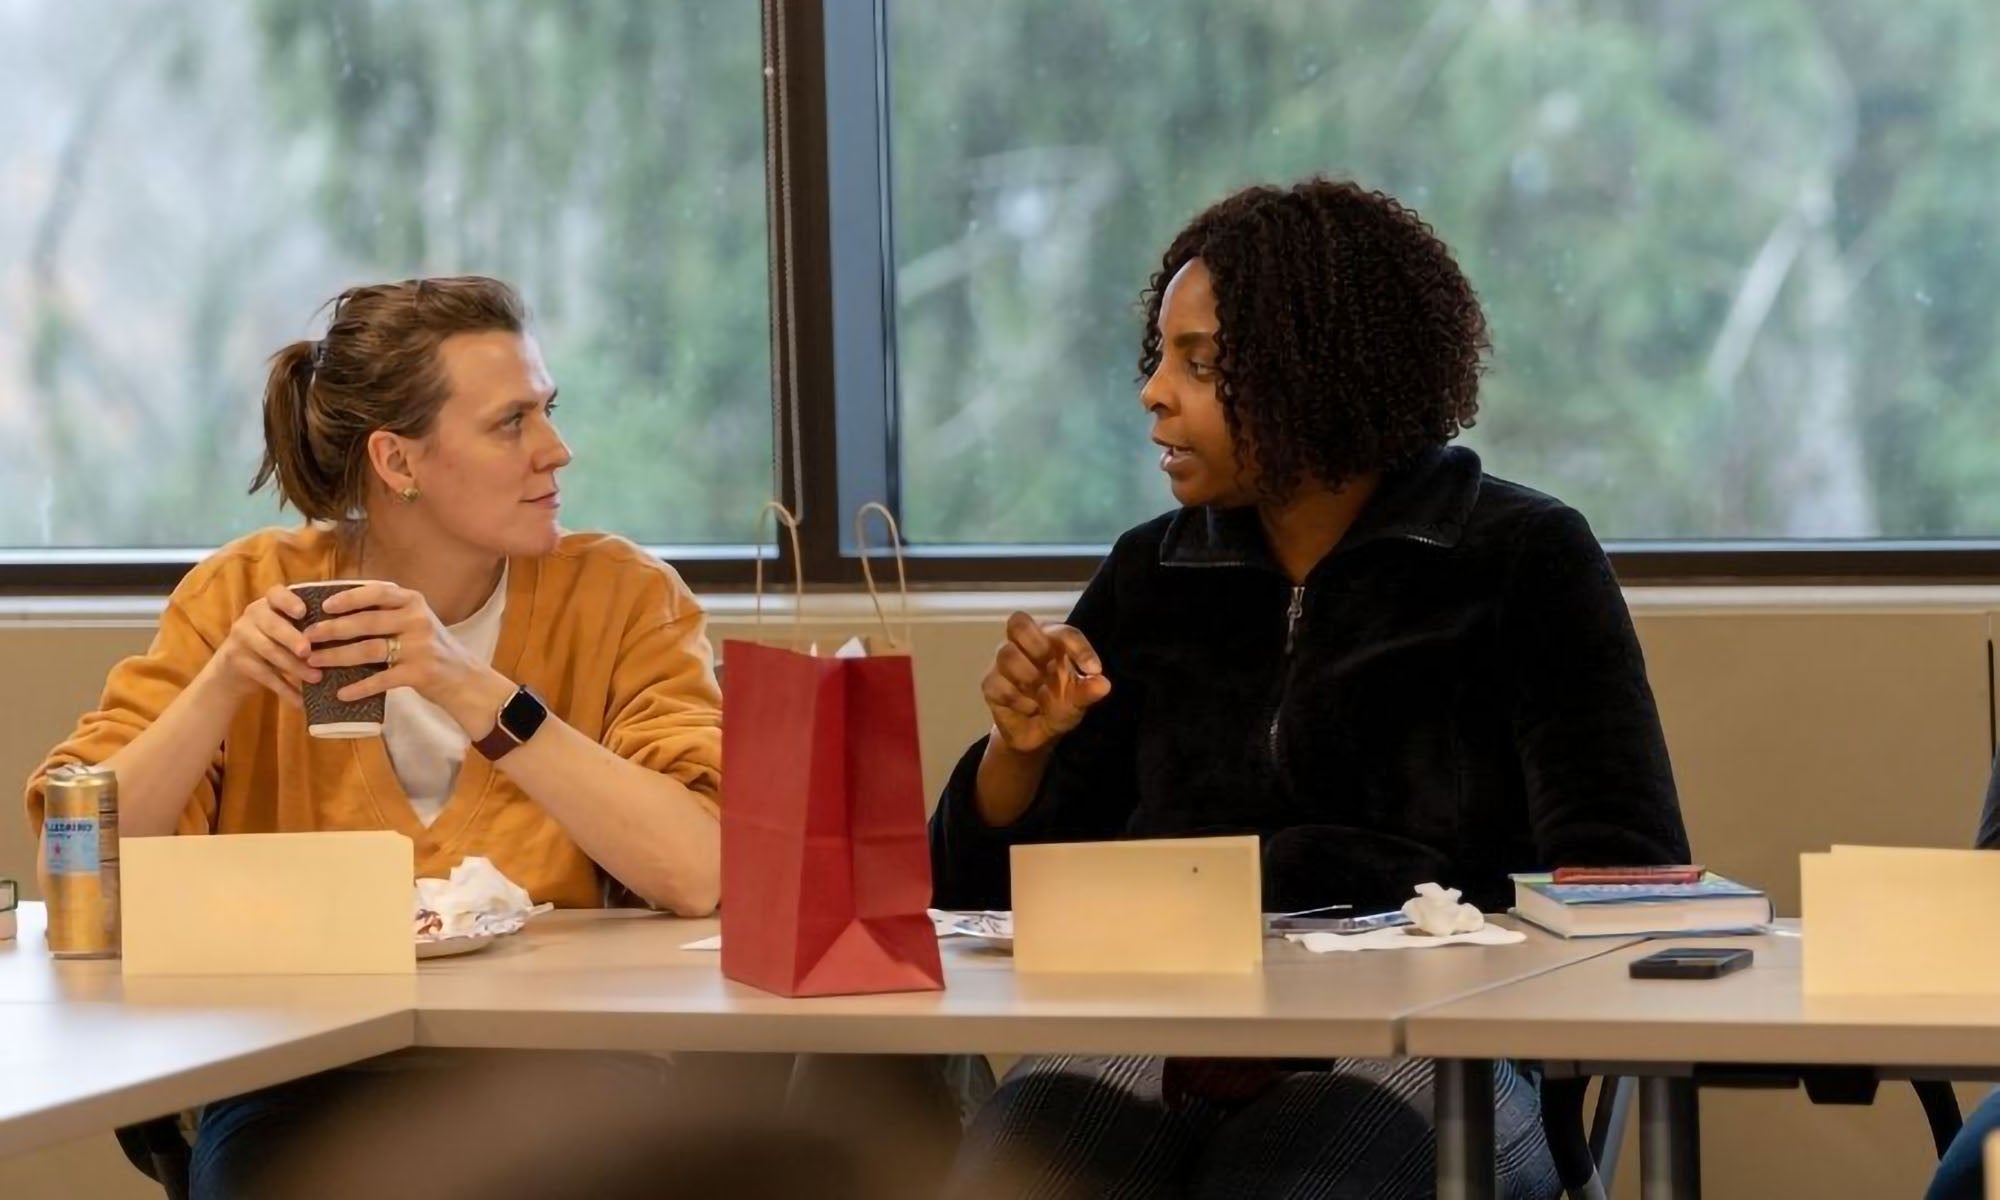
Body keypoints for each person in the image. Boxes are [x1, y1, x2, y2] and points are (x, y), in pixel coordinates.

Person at [929, 178, 1691, 1198]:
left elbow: (1621, 883)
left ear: (1313, 376)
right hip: (1161, 1036)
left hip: (1431, 1049)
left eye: (1198, 364)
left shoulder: (1517, 558)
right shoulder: (1149, 574)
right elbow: (976, 901)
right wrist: (1015, 757)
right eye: (1158, 357)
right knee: (1016, 1177)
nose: (1154, 391)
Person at [24, 275, 723, 1198]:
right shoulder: (246, 596)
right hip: (294, 1080)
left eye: (548, 410)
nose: (558, 450)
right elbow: (78, 871)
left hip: (562, 1067)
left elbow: (701, 868)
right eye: (511, 423)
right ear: (398, 461)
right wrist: (221, 687)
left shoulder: (624, 598)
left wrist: (472, 689)